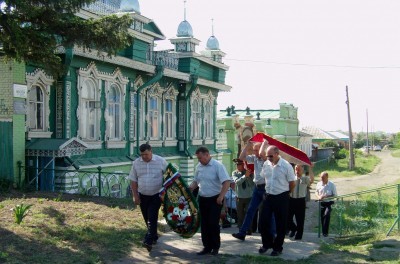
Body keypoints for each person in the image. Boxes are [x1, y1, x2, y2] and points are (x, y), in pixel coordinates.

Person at [189, 146, 231, 256]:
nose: (199, 160)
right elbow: (196, 181)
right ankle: (206, 247)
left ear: (207, 155)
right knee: (204, 224)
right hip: (203, 198)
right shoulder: (199, 166)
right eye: (198, 158)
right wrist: (190, 188)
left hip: (215, 199)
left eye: (201, 158)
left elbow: (226, 182)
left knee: (213, 223)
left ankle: (215, 247)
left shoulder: (217, 166)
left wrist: (221, 196)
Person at [129, 143, 168, 252]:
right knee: (146, 218)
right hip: (142, 195)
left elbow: (169, 176)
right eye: (142, 155)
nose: (144, 157)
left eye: (146, 154)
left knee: (152, 216)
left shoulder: (161, 161)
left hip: (156, 195)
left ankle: (148, 241)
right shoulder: (136, 163)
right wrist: (135, 195)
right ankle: (154, 236)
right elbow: (133, 180)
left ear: (151, 151)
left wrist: (165, 193)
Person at [259, 145, 296, 256]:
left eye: (270, 156)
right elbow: (263, 177)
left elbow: (292, 183)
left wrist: (286, 194)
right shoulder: (266, 164)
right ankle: (267, 243)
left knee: (281, 224)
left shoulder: (286, 166)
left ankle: (277, 247)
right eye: (267, 156)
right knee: (262, 222)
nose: (268, 158)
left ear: (277, 153)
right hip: (268, 195)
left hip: (281, 196)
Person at [232, 142, 267, 241]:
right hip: (257, 187)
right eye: (254, 150)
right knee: (250, 210)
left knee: (266, 212)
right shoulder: (254, 158)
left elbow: (262, 155)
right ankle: (242, 233)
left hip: (265, 188)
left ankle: (268, 234)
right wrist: (248, 145)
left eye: (256, 150)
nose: (255, 152)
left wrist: (263, 144)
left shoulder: (266, 159)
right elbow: (242, 157)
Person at [287, 164, 314, 240]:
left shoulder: (305, 178)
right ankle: (293, 228)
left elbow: (311, 180)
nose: (297, 171)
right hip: (291, 200)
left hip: (300, 201)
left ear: (302, 170)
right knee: (287, 218)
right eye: (296, 169)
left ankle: (298, 236)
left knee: (300, 220)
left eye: (299, 169)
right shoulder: (291, 178)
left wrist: (310, 169)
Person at [232, 158, 255, 234]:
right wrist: (245, 176)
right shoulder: (235, 173)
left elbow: (252, 184)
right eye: (237, 165)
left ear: (243, 165)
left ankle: (249, 229)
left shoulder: (249, 172)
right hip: (240, 197)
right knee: (240, 214)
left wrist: (248, 176)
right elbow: (237, 182)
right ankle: (241, 230)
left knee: (248, 213)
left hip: (249, 196)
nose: (238, 166)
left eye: (240, 165)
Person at [315, 171, 337, 237]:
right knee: (322, 217)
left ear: (327, 177)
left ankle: (325, 232)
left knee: (327, 214)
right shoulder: (318, 184)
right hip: (321, 203)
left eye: (323, 177)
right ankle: (324, 232)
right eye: (321, 177)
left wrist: (326, 196)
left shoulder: (332, 185)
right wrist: (319, 197)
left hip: (329, 202)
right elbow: (316, 192)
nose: (322, 179)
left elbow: (335, 195)